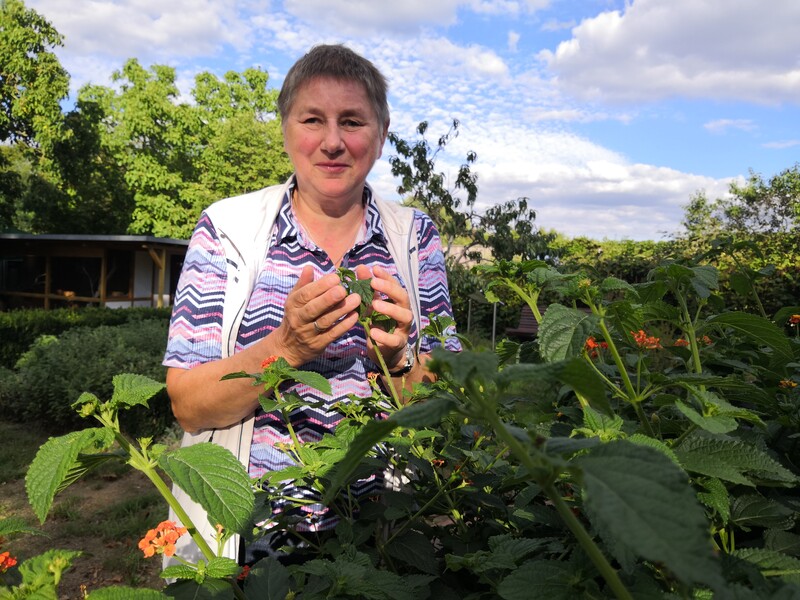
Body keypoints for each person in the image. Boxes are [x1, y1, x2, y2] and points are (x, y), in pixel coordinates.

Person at [163, 43, 460, 567]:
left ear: (381, 134)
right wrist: (286, 346)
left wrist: (400, 362)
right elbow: (188, 404)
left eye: (352, 121)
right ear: (285, 128)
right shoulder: (227, 230)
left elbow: (447, 402)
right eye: (312, 119)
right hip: (249, 534)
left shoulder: (415, 239)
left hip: (380, 531)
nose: (332, 142)